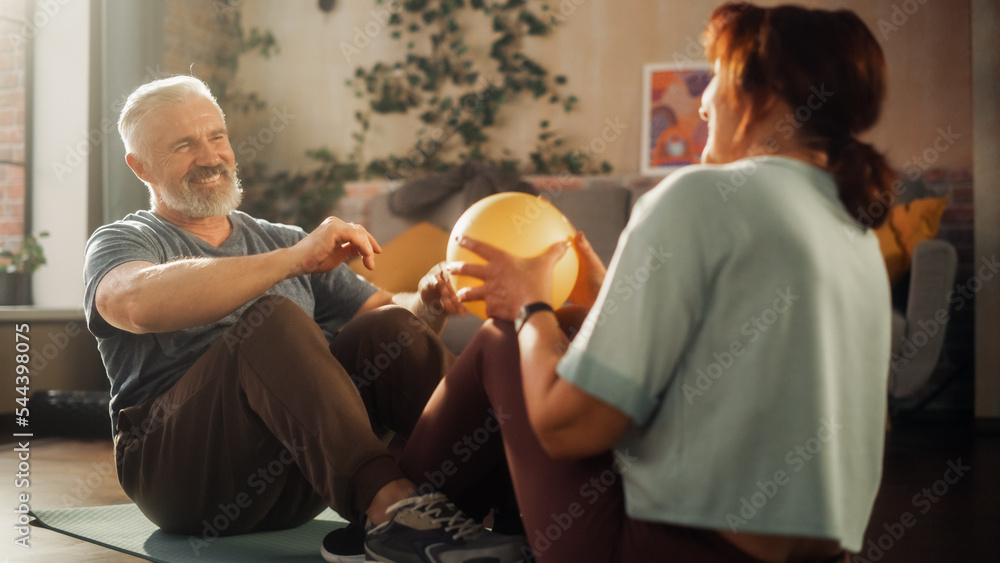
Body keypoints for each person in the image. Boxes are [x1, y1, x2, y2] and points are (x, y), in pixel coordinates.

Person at [398, 3, 895, 562]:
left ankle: (393, 517)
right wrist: (605, 304)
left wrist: (531, 306)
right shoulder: (854, 234)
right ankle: (469, 530)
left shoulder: (700, 196)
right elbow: (725, 390)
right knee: (555, 331)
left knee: (502, 340)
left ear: (761, 95)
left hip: (664, 550)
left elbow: (570, 429)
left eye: (715, 80)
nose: (702, 102)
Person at [83, 75, 528, 563]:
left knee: (389, 330)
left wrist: (429, 305)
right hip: (180, 478)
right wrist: (293, 259)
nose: (209, 156)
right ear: (140, 166)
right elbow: (131, 302)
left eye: (216, 137)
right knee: (272, 320)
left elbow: (389, 328)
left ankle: (517, 497)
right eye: (184, 145)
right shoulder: (123, 241)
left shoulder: (280, 238)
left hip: (295, 475)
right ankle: (393, 513)